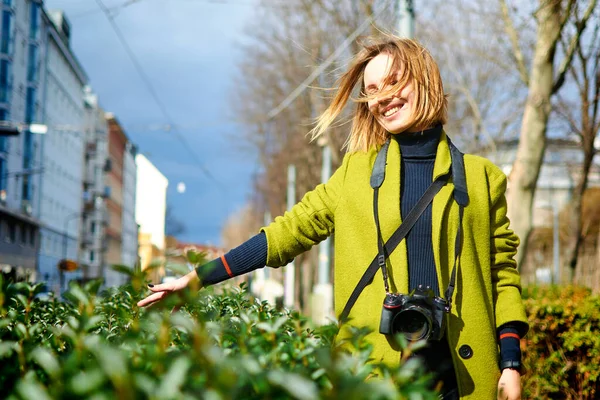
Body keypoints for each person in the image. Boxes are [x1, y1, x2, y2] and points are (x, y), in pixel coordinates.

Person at [138, 35, 528, 400]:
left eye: (394, 82)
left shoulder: (482, 178)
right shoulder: (355, 173)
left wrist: (511, 362)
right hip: (374, 374)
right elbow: (286, 233)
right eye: (372, 91)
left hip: (462, 377)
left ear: (424, 80)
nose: (382, 98)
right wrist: (199, 277)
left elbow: (502, 277)